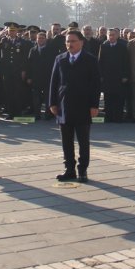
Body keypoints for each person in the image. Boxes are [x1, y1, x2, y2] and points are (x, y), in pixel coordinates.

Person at [49, 30, 101, 183]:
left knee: (83, 140)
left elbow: (95, 85)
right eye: (67, 41)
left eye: (73, 41)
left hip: (83, 105)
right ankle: (69, 169)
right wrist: (52, 103)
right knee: (66, 140)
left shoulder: (90, 60)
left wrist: (94, 105)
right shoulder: (60, 59)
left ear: (81, 42)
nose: (69, 44)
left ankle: (83, 169)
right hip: (64, 105)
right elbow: (54, 82)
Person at [98, 28, 130, 122]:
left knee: (119, 98)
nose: (111, 37)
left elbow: (126, 62)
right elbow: (100, 62)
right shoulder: (104, 46)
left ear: (117, 36)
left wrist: (125, 76)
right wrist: (101, 75)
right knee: (108, 98)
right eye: (109, 35)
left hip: (119, 78)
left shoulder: (122, 47)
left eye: (113, 35)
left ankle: (118, 117)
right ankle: (109, 117)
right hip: (107, 77)